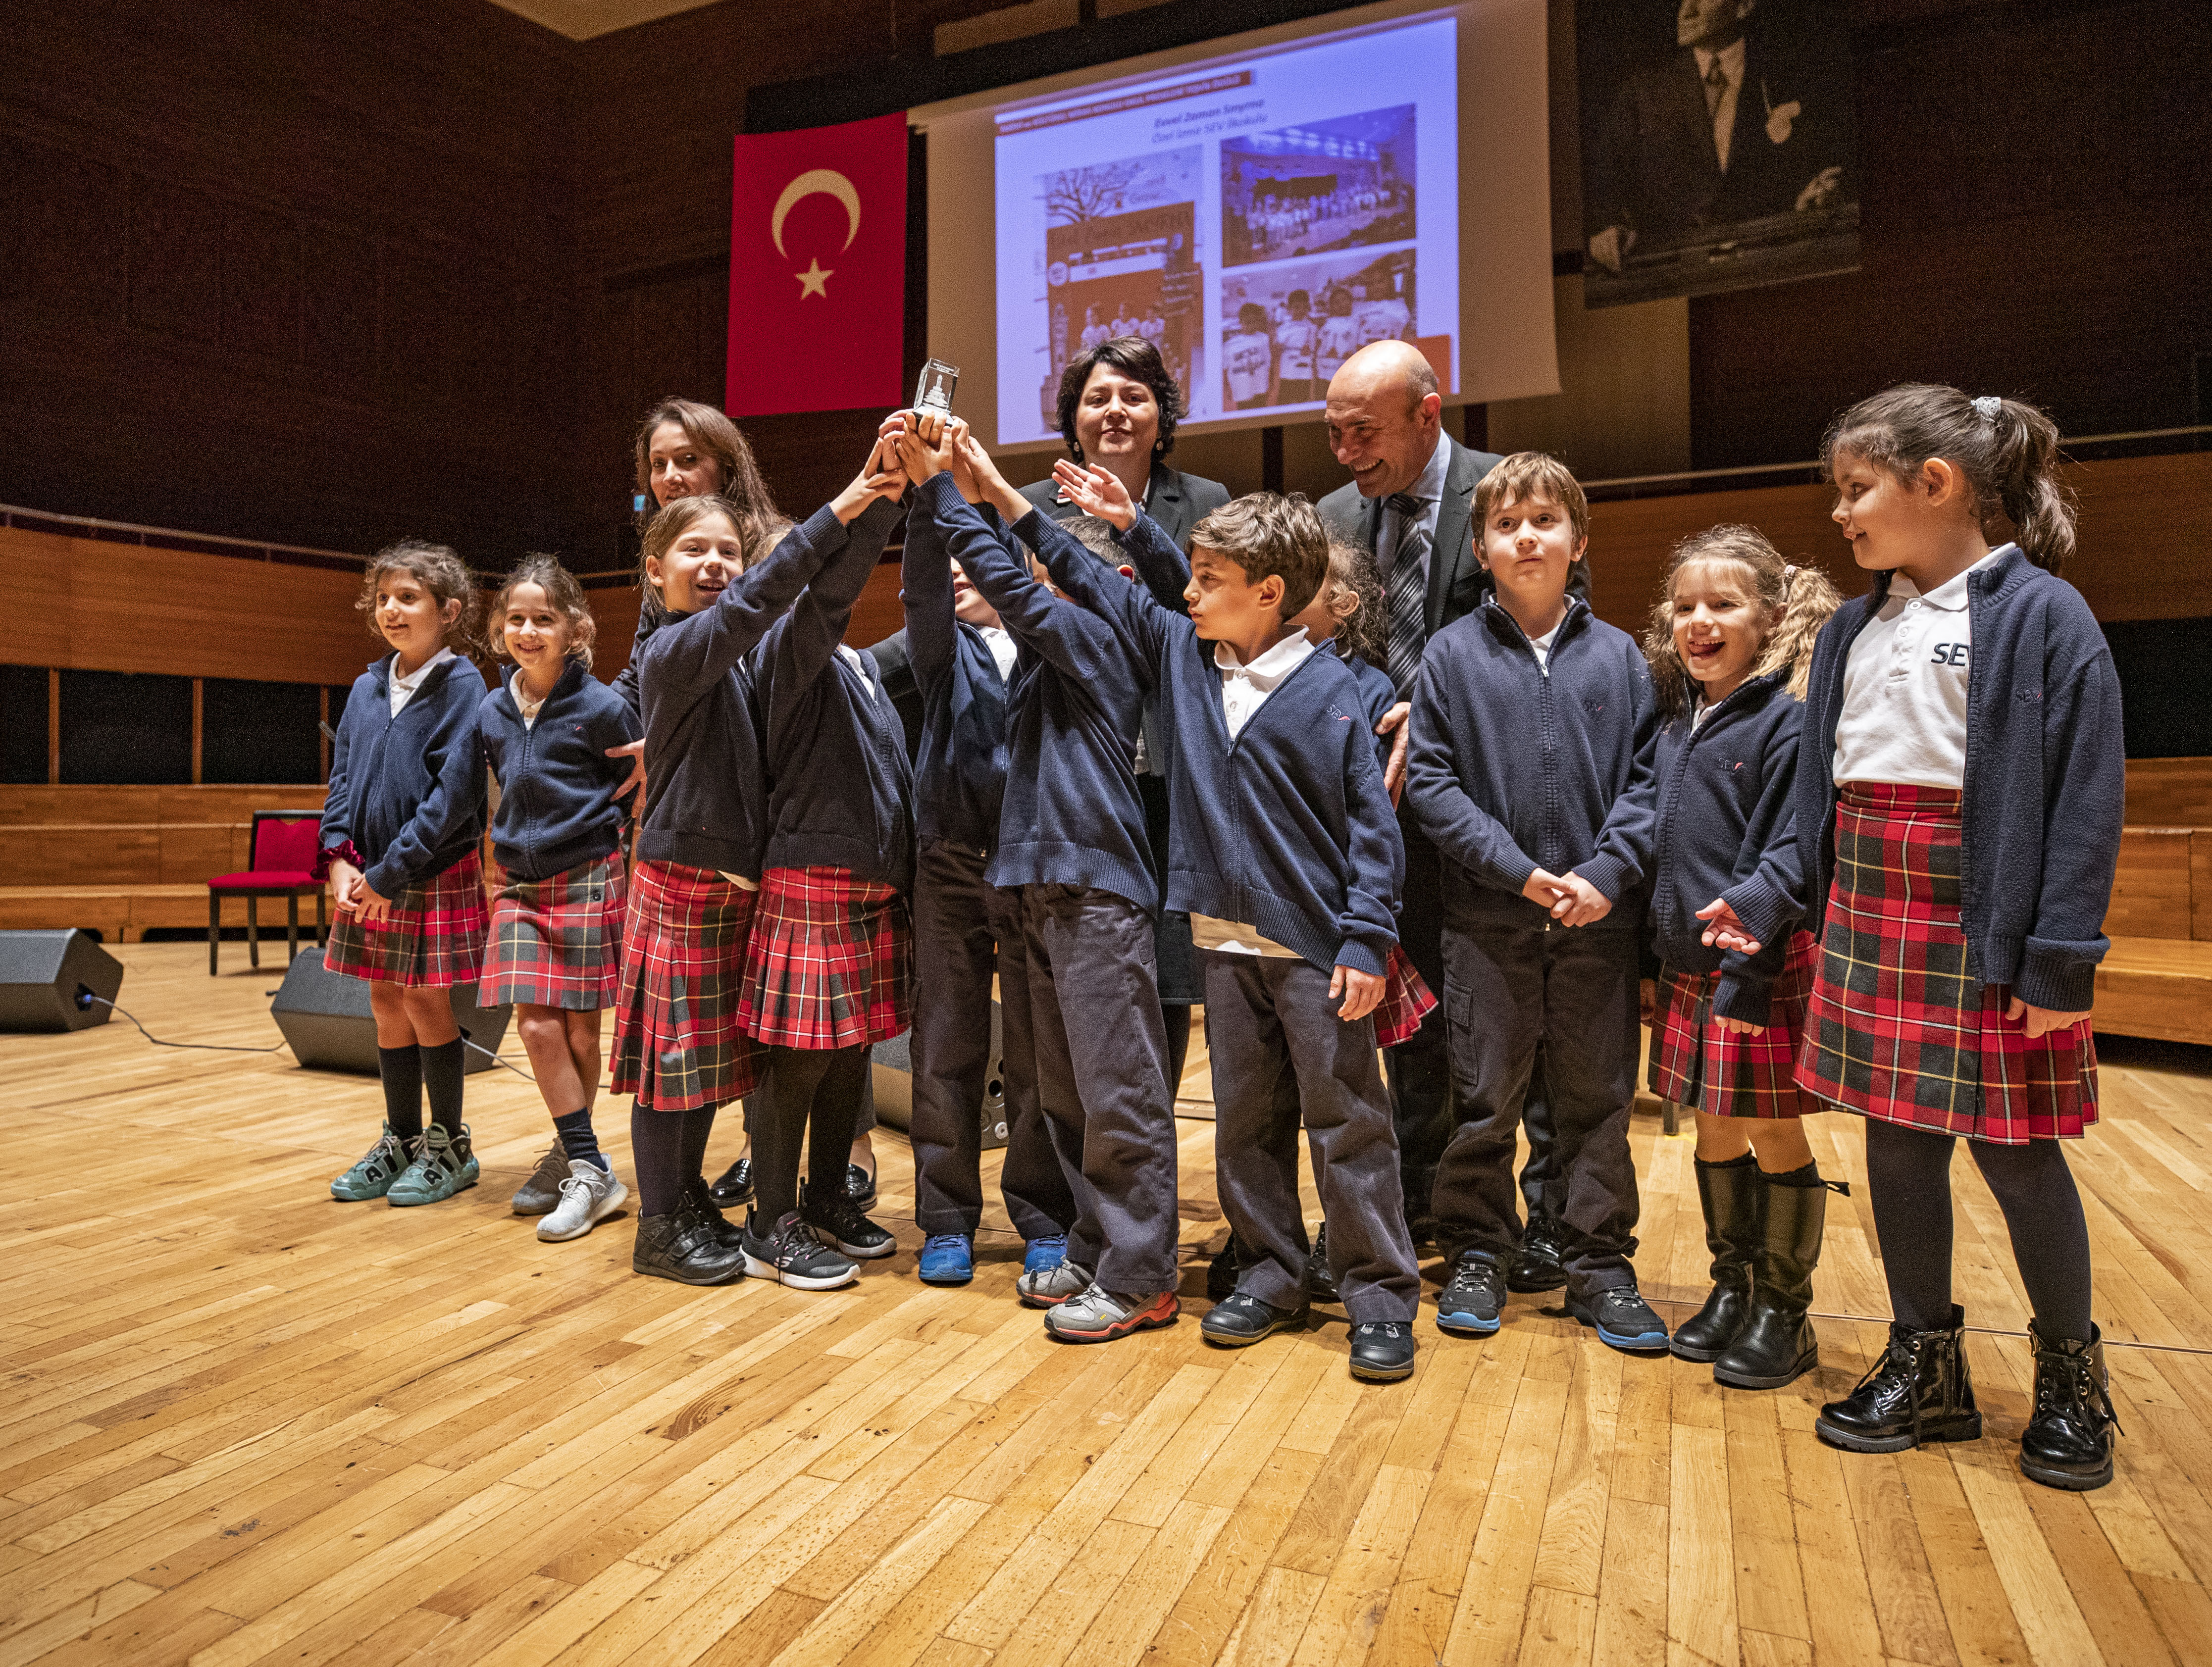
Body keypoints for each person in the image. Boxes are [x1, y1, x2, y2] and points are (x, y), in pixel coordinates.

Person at [1753, 386, 2121, 1489]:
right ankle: (1926, 1361)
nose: (1841, 515)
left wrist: (2057, 957)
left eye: (1855, 489)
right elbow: (1820, 794)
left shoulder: (2041, 616)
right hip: (1871, 906)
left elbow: (2081, 798)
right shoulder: (1860, 625)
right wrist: (1785, 904)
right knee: (1895, 1140)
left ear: (1937, 483)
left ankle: (2068, 1373)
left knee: (2016, 1152)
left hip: (1984, 919)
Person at [1045, 458, 1423, 1383]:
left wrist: (1366, 936)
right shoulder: (1187, 661)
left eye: (1209, 580)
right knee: (1245, 1121)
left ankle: (1377, 1293)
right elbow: (1098, 576)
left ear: (1270, 593)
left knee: (1347, 1123)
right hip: (1221, 938)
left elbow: (1377, 834)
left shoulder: (1350, 693)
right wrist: (1125, 521)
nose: (1189, 592)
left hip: (1317, 949)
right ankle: (1269, 1269)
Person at [896, 413, 1181, 1346]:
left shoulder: (1104, 641)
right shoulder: (1047, 665)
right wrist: (979, 481)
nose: (1044, 581)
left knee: (1118, 1091)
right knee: (1065, 1096)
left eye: (1064, 574)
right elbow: (1036, 569)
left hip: (1095, 890)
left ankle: (1141, 1273)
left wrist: (948, 490)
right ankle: (1098, 1251)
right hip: (1039, 888)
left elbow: (1029, 583)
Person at [611, 447, 904, 1286]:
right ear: (655, 570)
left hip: (737, 885)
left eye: (726, 552)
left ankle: (689, 1199)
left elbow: (798, 605)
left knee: (709, 1065)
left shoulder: (739, 654)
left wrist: (881, 501)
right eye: (694, 552)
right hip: (682, 881)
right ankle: (660, 1221)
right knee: (675, 1069)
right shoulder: (675, 650)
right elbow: (761, 603)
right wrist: (853, 497)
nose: (714, 565)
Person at [1407, 452, 1667, 1354]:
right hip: (1486, 919)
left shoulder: (1621, 657)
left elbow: (1648, 782)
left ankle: (1596, 1260)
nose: (1527, 536)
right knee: (1483, 1098)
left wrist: (1606, 873)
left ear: (1579, 540)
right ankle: (1478, 1247)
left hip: (1599, 923)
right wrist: (1516, 870)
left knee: (1595, 1099)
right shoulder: (1448, 657)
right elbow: (1431, 785)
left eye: (1544, 521)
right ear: (1480, 547)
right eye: (1507, 524)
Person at [1638, 526, 1843, 1386]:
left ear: (1772, 616)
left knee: (1769, 1126)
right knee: (1714, 1123)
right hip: (1689, 963)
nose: (1699, 622)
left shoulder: (1787, 720)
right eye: (1685, 607)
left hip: (1753, 965)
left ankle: (1782, 1312)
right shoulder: (1679, 719)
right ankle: (1732, 1285)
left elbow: (1796, 847)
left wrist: (1750, 933)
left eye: (1722, 605)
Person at [1316, 341, 1504, 1237]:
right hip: (1368, 811)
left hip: (1479, 806)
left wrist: (1433, 699)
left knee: (1487, 1021)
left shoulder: (1507, 494)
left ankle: (1496, 1216)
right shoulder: (1327, 515)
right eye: (1333, 433)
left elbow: (1546, 624)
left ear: (1428, 415)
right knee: (1404, 1015)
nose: (1347, 452)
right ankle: (1418, 1196)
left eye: (1365, 432)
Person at [1020, 335, 1232, 1102]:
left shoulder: (1204, 502)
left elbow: (1210, 619)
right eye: (1097, 397)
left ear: (1159, 414)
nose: (1115, 410)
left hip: (1169, 768)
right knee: (1064, 974)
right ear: (1072, 418)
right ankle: (1073, 1180)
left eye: (1133, 395)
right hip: (1068, 763)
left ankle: (1148, 1154)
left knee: (1168, 969)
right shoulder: (1030, 508)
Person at [733, 419, 920, 1287]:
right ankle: (769, 1220)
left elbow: (928, 628)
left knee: (850, 1053)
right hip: (809, 877)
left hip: (868, 886)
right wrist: (880, 497)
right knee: (799, 1059)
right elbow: (831, 589)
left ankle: (823, 1198)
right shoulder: (783, 647)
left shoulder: (858, 667)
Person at [898, 438, 1077, 1289]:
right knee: (946, 1042)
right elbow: (925, 587)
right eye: (958, 563)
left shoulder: (1050, 648)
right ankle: (945, 1216)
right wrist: (935, 495)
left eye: (985, 561)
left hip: (1035, 868)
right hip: (951, 866)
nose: (967, 575)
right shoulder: (941, 654)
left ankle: (1042, 1212)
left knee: (1037, 1052)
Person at [321, 541, 491, 1208]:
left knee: (425, 1000)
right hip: (368, 874)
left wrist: (390, 874)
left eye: (409, 597)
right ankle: (400, 1137)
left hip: (425, 871)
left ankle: (449, 1144)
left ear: (448, 611)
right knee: (384, 998)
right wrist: (338, 857)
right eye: (384, 598)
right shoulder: (366, 685)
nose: (392, 609)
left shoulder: (465, 686)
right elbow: (341, 779)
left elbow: (453, 801)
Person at [477, 558, 641, 1242]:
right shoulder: (490, 708)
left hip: (587, 874)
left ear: (574, 628)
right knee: (536, 1024)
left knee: (578, 1031)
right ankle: (588, 1163)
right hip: (519, 881)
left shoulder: (603, 705)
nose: (528, 629)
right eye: (515, 617)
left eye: (544, 617)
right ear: (498, 628)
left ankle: (575, 1156)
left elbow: (635, 783)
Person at [1584, 0, 1851, 274]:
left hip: (1769, 268)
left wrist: (1811, 200)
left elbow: (1820, 172)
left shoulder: (1790, 78)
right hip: (1671, 277)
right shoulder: (1640, 95)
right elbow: (1604, 186)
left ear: (1744, 6)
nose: (1686, 11)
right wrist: (1607, 229)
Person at [1224, 303, 1275, 410]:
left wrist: (1271, 382)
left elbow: (1269, 363)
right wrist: (1227, 388)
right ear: (1241, 321)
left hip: (1260, 386)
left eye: (1255, 322)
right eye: (1248, 322)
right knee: (1245, 417)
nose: (1252, 326)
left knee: (1262, 414)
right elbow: (1225, 369)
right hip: (1242, 388)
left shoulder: (1264, 339)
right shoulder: (1230, 345)